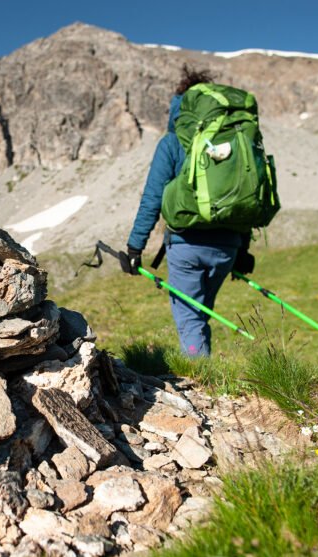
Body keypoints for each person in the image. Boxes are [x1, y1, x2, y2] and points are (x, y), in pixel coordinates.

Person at [126, 65, 254, 358]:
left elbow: (152, 198)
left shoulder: (173, 142)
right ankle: (206, 372)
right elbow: (241, 195)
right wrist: (243, 249)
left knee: (189, 318)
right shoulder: (232, 140)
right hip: (228, 247)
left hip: (187, 246)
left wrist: (136, 246)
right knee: (200, 314)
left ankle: (202, 379)